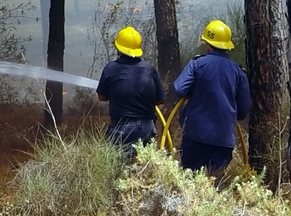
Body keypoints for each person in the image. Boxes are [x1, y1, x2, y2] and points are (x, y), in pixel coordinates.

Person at [173, 19, 251, 177]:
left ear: (208, 44)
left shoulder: (197, 64)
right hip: (223, 140)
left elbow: (179, 89)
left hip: (196, 136)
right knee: (216, 182)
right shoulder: (239, 72)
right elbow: (243, 110)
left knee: (190, 181)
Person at [96, 26, 165, 157]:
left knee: (117, 167)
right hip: (146, 129)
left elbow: (102, 97)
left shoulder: (111, 69)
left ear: (119, 49)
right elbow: (160, 100)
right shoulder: (149, 70)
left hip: (121, 128)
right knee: (144, 166)